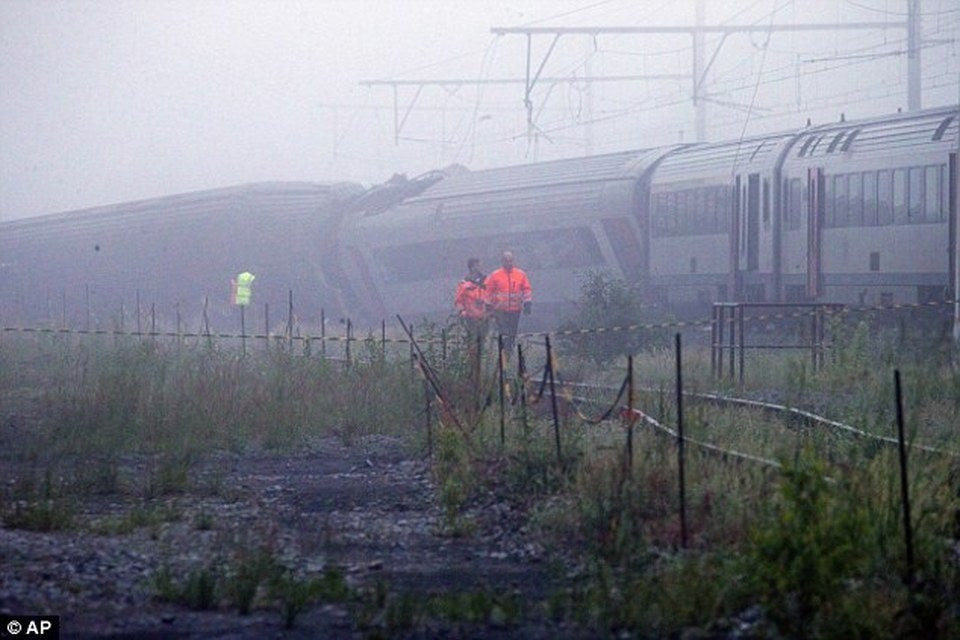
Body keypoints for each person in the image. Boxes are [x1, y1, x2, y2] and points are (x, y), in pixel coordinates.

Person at [484, 250, 532, 354]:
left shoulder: (521, 274)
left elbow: (526, 289)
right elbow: (488, 291)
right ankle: (503, 353)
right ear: (502, 262)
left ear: (513, 261)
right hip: (500, 310)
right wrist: (488, 305)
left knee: (512, 333)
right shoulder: (495, 275)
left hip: (515, 310)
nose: (509, 263)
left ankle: (508, 353)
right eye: (506, 261)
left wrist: (528, 303)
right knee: (503, 333)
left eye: (510, 261)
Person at [454, 257, 488, 340]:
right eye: (478, 265)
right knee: (472, 339)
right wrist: (462, 311)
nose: (481, 267)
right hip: (470, 317)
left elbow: (492, 296)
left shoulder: (487, 281)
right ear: (472, 267)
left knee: (484, 339)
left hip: (485, 316)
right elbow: (459, 300)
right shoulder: (464, 284)